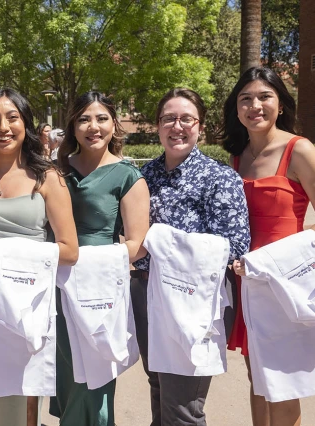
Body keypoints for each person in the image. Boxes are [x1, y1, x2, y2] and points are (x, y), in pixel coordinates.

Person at [131, 88, 250, 425]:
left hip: (195, 304)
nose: (177, 126)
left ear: (200, 126)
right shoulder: (144, 176)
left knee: (183, 408)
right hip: (145, 294)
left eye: (186, 119)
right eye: (169, 118)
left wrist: (161, 242)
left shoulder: (219, 178)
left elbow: (234, 245)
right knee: (159, 388)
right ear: (158, 126)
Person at [0, 88, 78, 426]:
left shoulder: (47, 177)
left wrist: (8, 255)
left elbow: (69, 250)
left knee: (18, 402)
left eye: (12, 117)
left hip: (25, 307)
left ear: (26, 123)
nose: (4, 126)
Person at [221, 67, 315, 426]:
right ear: (236, 108)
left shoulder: (300, 149)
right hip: (247, 283)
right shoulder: (235, 157)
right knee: (257, 379)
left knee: (283, 383)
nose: (254, 105)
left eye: (264, 97)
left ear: (280, 103)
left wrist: (283, 261)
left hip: (286, 281)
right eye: (245, 98)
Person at [52, 91, 150, 426]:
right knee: (66, 378)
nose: (93, 127)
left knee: (93, 380)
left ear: (113, 124)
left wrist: (94, 263)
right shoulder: (54, 172)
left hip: (99, 292)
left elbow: (139, 244)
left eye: (101, 118)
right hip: (56, 290)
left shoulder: (127, 176)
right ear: (73, 126)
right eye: (84, 119)